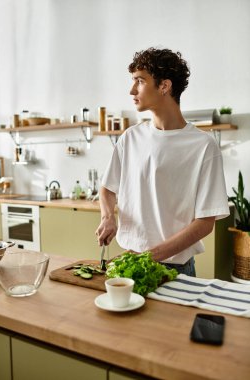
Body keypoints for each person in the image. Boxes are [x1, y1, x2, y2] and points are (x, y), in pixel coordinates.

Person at [95, 47, 229, 276]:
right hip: (130, 259)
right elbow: (107, 189)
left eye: (140, 81)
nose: (131, 90)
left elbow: (205, 222)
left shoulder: (203, 146)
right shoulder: (130, 137)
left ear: (164, 86)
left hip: (176, 270)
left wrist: (151, 256)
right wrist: (108, 217)